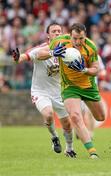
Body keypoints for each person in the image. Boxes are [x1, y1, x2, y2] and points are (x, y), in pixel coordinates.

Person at [35, 23, 105, 159]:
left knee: (100, 117)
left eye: (81, 38)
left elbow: (96, 69)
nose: (78, 42)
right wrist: (52, 53)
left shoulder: (91, 47)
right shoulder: (59, 41)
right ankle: (92, 152)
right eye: (75, 38)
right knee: (75, 116)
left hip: (88, 87)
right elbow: (39, 54)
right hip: (69, 87)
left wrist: (85, 70)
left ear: (85, 36)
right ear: (70, 35)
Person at [12, 22, 76, 158]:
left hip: (59, 92)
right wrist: (18, 58)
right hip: (40, 91)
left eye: (59, 31)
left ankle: (69, 149)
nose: (57, 33)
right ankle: (54, 137)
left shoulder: (69, 50)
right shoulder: (42, 48)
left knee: (67, 124)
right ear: (48, 35)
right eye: (54, 31)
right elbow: (29, 56)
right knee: (48, 114)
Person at [82, 55, 107, 138]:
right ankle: (80, 130)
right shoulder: (76, 53)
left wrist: (102, 77)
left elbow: (103, 70)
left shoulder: (96, 56)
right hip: (79, 86)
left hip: (92, 87)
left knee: (90, 112)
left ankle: (90, 133)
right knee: (80, 111)